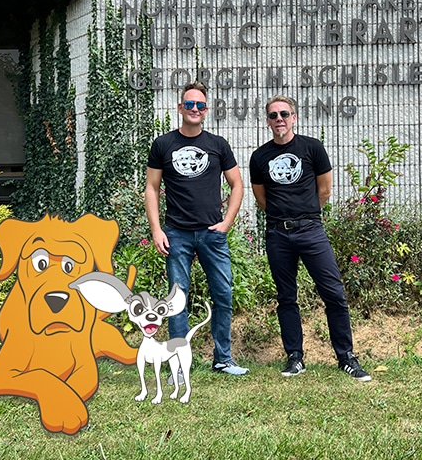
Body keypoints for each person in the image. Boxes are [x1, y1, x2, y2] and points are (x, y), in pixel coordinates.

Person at [249, 95, 371, 381]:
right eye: (273, 115)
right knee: (286, 297)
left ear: (294, 117)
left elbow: (324, 190)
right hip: (278, 233)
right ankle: (295, 358)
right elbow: (261, 197)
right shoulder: (259, 157)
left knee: (334, 294)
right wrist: (285, 217)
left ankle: (346, 357)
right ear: (267, 121)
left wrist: (304, 215)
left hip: (311, 231)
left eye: (284, 114)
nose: (279, 119)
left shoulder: (312, 148)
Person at [145, 81, 249, 377]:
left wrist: (227, 222)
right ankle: (178, 363)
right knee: (177, 298)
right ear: (180, 108)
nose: (194, 109)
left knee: (223, 294)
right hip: (176, 233)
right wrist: (156, 230)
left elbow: (237, 184)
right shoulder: (163, 144)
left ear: (206, 110)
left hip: (212, 234)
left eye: (200, 105)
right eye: (189, 104)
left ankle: (223, 359)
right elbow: (152, 188)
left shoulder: (218, 145)